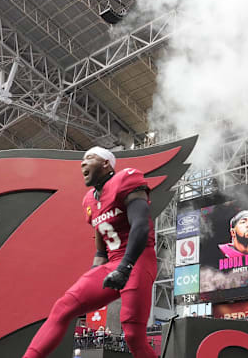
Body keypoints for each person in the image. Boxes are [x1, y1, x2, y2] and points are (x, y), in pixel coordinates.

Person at [22, 147, 157, 358]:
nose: (83, 163)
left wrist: (125, 267)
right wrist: (92, 276)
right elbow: (101, 248)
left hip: (138, 259)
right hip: (111, 263)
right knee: (63, 307)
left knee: (133, 335)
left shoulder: (125, 179)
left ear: (106, 163)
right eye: (82, 159)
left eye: (90, 158)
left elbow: (141, 226)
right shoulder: (89, 201)